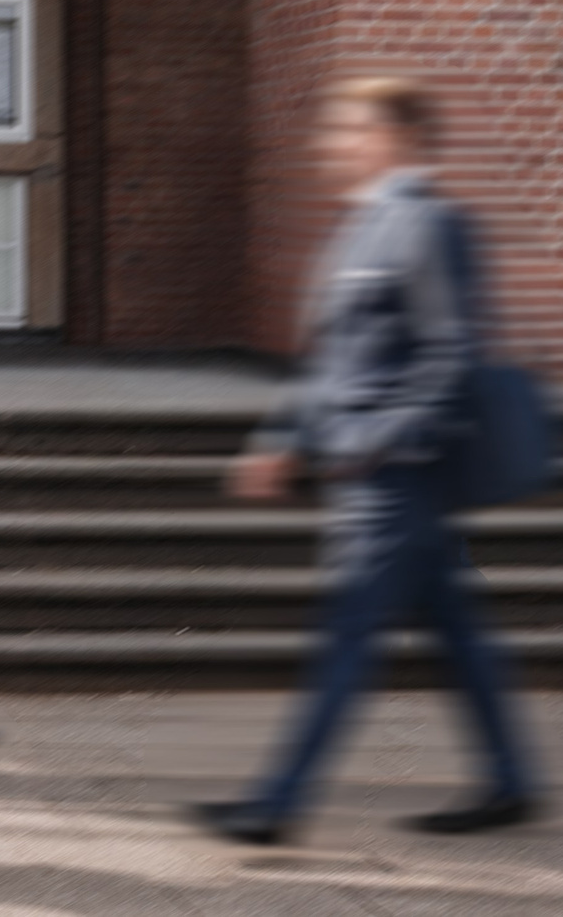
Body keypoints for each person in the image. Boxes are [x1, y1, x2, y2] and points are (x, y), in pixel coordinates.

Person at [189, 77, 540, 845]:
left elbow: (452, 352)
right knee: (454, 626)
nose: (333, 143)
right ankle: (513, 780)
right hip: (376, 470)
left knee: (349, 632)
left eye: (351, 129)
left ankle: (276, 805)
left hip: (397, 477)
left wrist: (379, 439)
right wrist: (281, 440)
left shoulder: (429, 224)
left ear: (398, 137)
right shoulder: (361, 226)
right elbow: (334, 362)